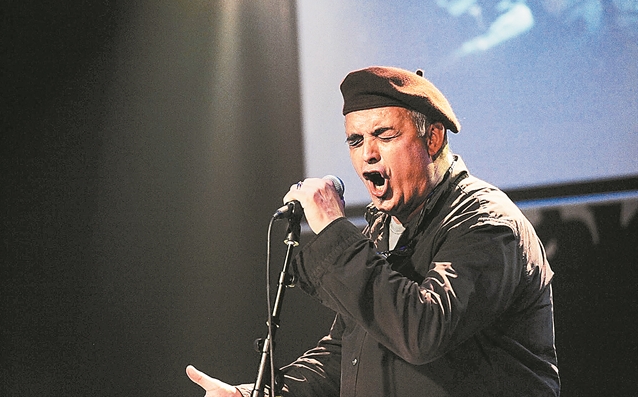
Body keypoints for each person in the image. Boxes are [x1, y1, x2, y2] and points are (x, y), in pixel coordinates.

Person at [187, 66, 560, 396]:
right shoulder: (383, 229)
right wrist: (257, 393)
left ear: (433, 139)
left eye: (384, 134)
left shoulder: (486, 224)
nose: (368, 153)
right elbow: (347, 355)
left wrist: (334, 231)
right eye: (356, 140)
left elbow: (424, 330)